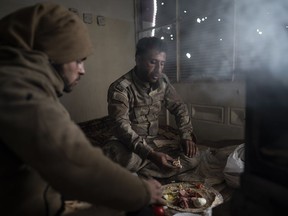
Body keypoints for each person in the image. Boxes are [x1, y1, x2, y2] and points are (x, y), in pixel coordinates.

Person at [0, 3, 164, 216]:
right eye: (77, 60)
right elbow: (75, 162)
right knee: (141, 206)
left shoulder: (25, 84)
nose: (82, 70)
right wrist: (142, 191)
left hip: (46, 195)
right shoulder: (16, 89)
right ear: (53, 56)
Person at [103, 37, 200, 179]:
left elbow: (179, 107)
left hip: (154, 142)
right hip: (127, 144)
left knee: (193, 157)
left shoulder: (163, 81)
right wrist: (151, 155)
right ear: (138, 59)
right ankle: (154, 167)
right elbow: (121, 126)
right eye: (152, 62)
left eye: (162, 64)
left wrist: (186, 136)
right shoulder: (120, 88)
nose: (158, 70)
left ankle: (143, 172)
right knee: (117, 157)